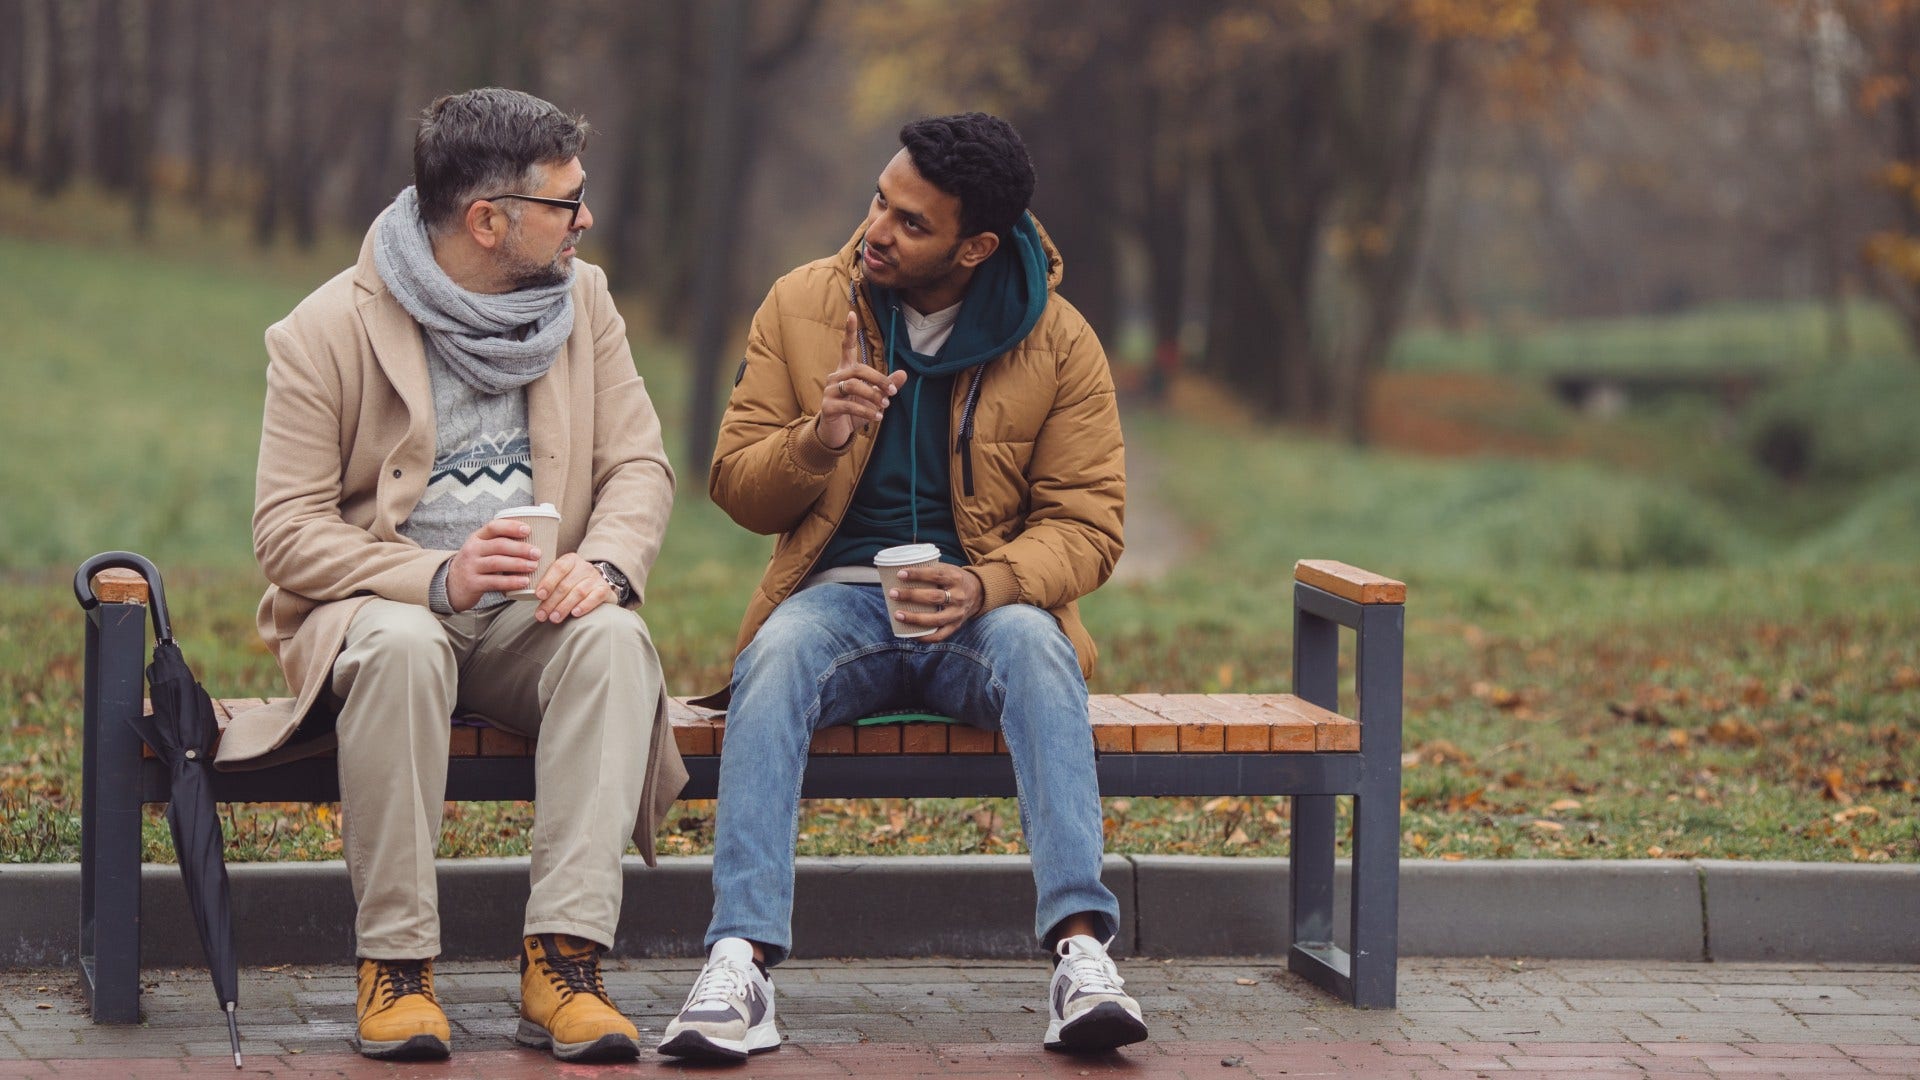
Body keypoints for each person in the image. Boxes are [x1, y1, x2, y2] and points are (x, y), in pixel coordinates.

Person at [660, 112, 1145, 1062]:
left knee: (1042, 652)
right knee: (776, 657)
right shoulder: (804, 304)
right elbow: (734, 486)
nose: (877, 229)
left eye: (911, 223)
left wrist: (987, 584)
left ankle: (1082, 960)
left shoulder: (1058, 340)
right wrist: (818, 439)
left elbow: (1090, 523)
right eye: (879, 201)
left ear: (976, 247)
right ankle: (738, 964)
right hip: (836, 601)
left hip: (984, 611)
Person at [235, 88, 685, 1064]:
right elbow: (286, 532)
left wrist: (602, 565)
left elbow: (638, 467)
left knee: (612, 640)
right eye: (567, 203)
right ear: (490, 220)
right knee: (401, 649)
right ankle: (395, 968)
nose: (586, 220)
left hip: (533, 620)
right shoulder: (324, 330)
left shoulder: (587, 303)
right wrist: (440, 575)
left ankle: (564, 960)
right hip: (384, 613)